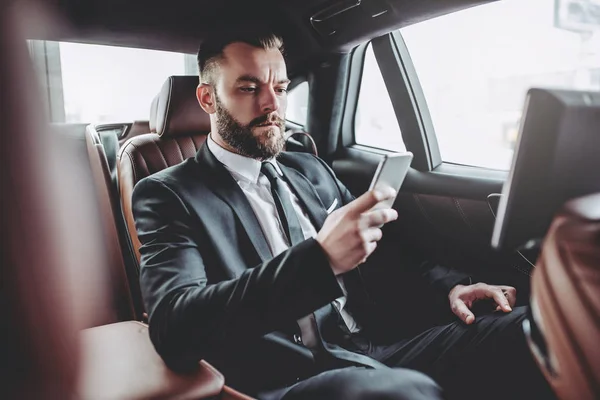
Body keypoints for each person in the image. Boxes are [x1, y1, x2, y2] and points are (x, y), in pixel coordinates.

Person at [132, 29, 554, 400]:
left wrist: (449, 292)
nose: (271, 104)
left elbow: (388, 254)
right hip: (282, 378)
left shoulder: (309, 168)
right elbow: (175, 325)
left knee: (535, 333)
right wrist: (319, 260)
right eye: (248, 88)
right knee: (400, 392)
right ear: (208, 97)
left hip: (370, 348)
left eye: (279, 87)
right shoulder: (167, 194)